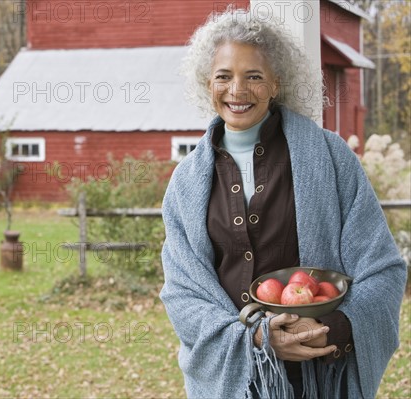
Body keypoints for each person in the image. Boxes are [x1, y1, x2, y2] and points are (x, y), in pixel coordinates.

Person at [159, 8, 407, 399]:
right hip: (231, 384)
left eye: (254, 76)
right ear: (208, 84)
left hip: (321, 378)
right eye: (223, 76)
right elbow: (182, 292)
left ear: (276, 83)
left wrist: (332, 329)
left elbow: (383, 270)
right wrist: (257, 340)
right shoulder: (186, 183)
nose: (237, 90)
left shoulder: (331, 157)